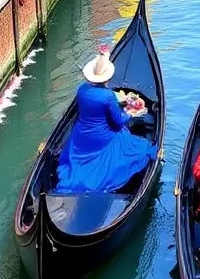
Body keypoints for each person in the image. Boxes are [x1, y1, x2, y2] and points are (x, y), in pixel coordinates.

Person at [55, 47, 156, 193]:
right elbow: (118, 121)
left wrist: (120, 104)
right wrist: (130, 112)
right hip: (103, 138)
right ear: (107, 77)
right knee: (141, 149)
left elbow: (92, 109)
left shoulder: (82, 89)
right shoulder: (107, 96)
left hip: (81, 135)